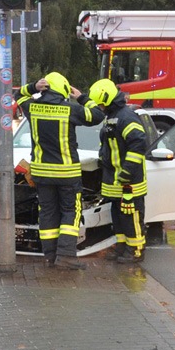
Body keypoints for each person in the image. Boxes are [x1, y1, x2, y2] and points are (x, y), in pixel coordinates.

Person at [15, 72, 103, 270]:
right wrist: (81, 98)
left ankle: (50, 257)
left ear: (45, 87)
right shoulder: (70, 109)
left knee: (47, 212)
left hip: (41, 174)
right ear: (63, 88)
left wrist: (32, 87)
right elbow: (97, 115)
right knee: (70, 213)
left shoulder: (32, 107)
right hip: (66, 173)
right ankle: (66, 257)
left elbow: (18, 96)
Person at [88, 78, 149, 263]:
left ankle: (136, 250)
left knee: (131, 217)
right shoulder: (112, 116)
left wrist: (127, 172)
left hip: (128, 181)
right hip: (115, 180)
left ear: (107, 100)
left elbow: (138, 144)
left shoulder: (126, 117)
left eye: (100, 103)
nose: (99, 107)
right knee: (118, 217)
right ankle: (122, 247)